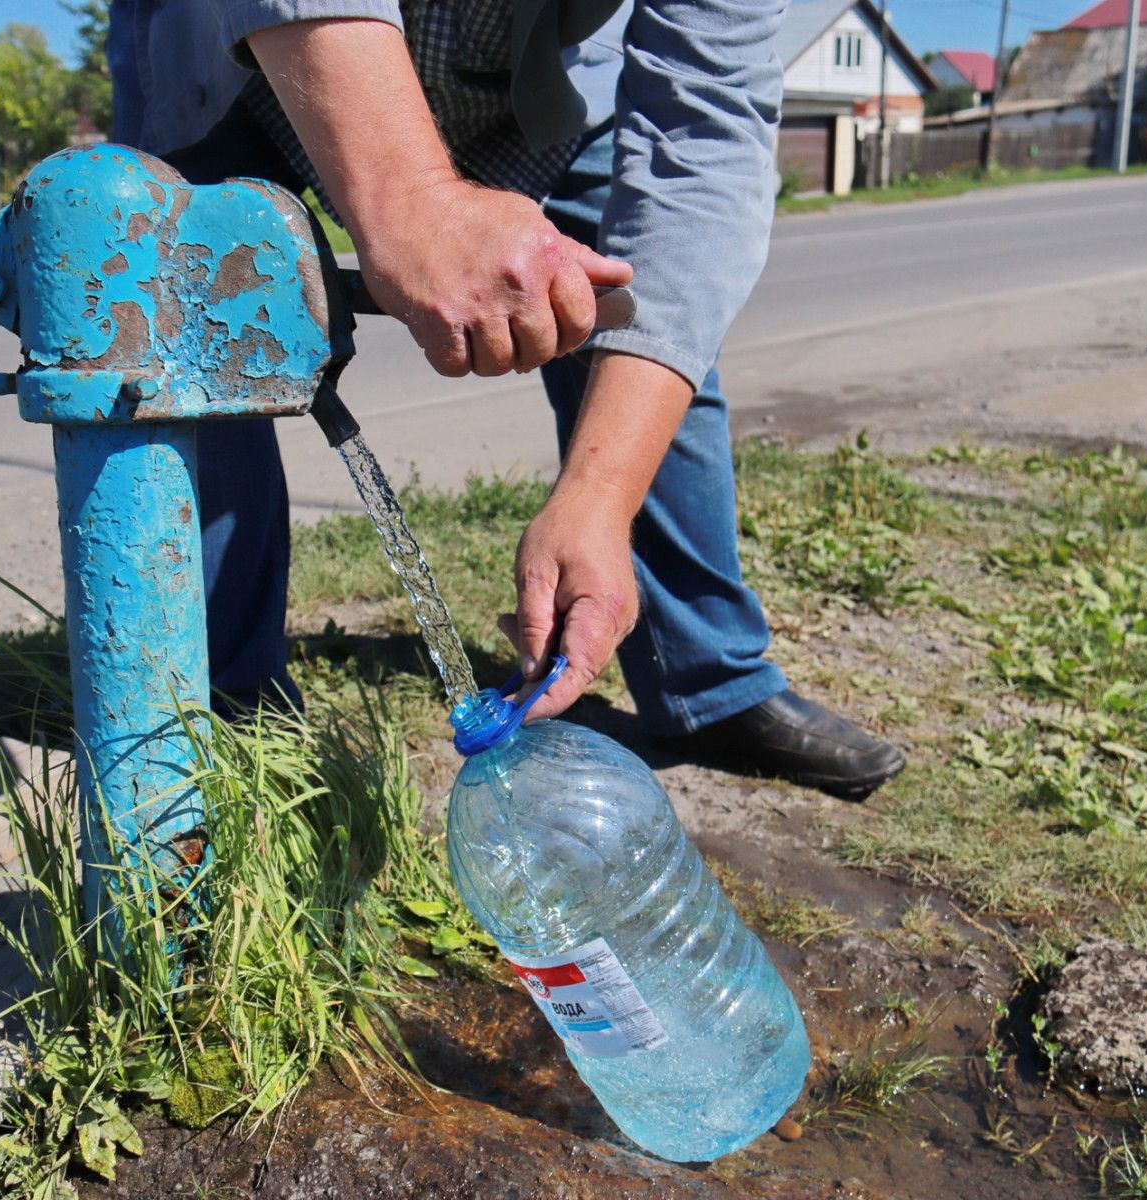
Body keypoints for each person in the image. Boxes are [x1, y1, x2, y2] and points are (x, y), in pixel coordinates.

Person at [107, 0, 906, 800]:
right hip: (238, 54)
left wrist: (601, 495)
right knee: (196, 347)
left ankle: (708, 680)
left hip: (545, 91)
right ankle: (221, 719)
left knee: (637, 324)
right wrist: (411, 202)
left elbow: (703, 140)